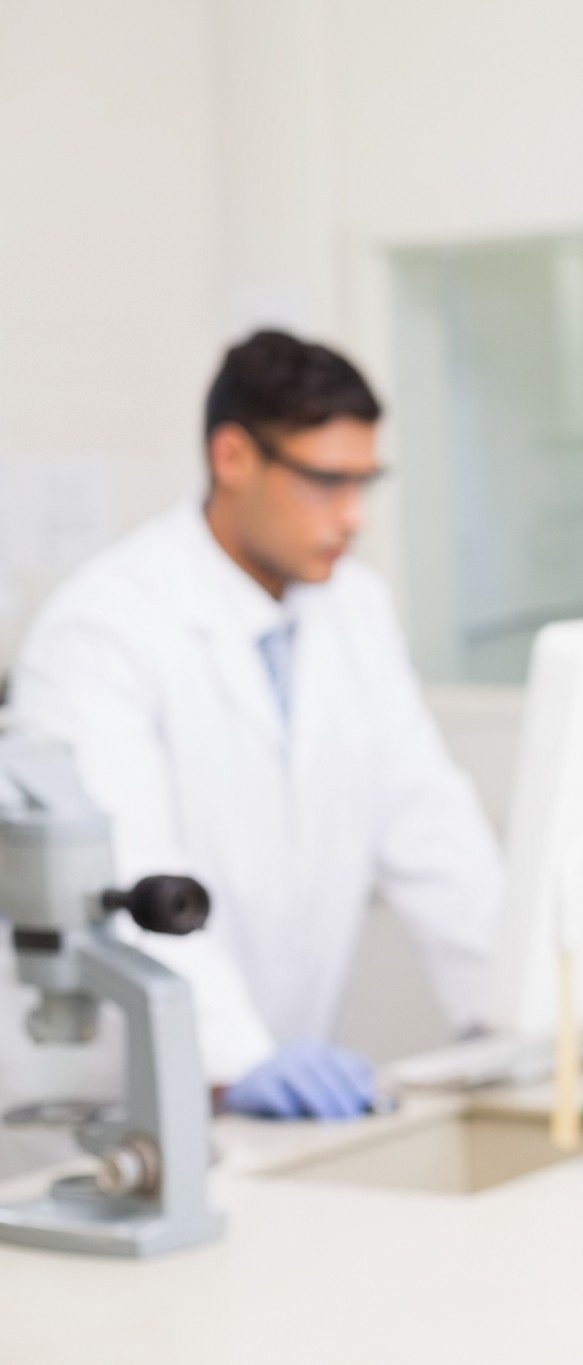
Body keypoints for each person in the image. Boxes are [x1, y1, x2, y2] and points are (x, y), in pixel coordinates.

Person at [6, 330, 503, 1121]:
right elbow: (130, 879)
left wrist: (515, 1013)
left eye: (363, 483)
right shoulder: (104, 629)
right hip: (110, 1107)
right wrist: (235, 1056)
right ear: (234, 457)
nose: (353, 516)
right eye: (326, 482)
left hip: (272, 1095)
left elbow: (430, 828)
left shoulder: (356, 609)